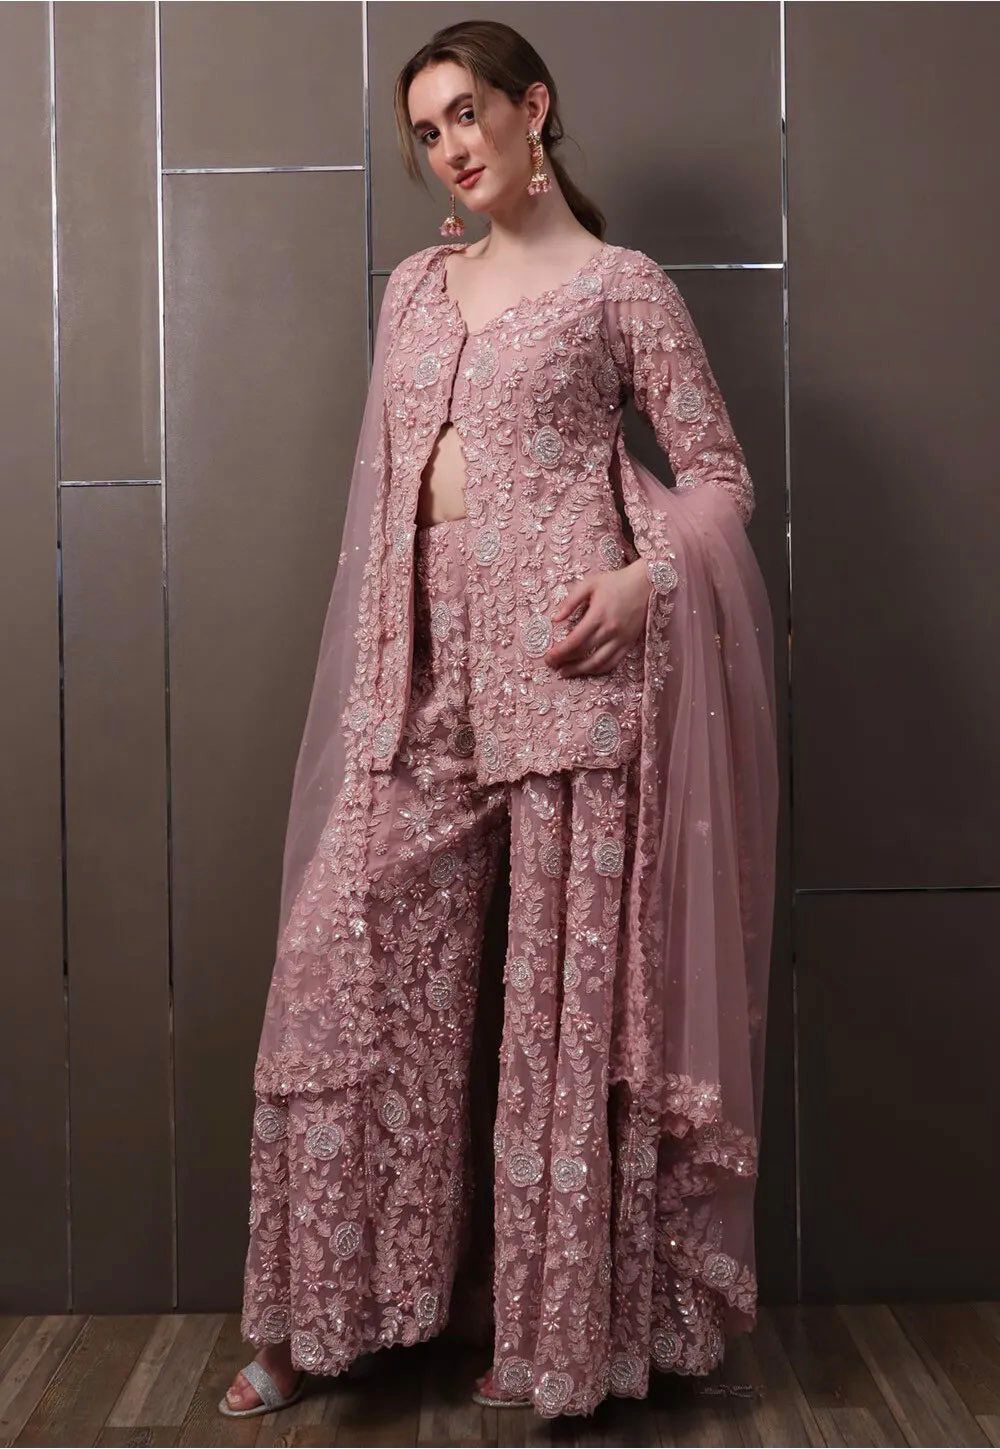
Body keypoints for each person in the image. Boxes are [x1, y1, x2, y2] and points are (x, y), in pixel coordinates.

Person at [220, 18, 778, 1422]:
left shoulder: (621, 288)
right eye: (427, 131)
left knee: (559, 1029)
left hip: (568, 675)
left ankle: (554, 1338)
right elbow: (387, 500)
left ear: (535, 108)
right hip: (415, 679)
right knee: (339, 968)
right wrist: (379, 677)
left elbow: (719, 479)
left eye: (468, 112)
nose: (451, 148)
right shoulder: (417, 289)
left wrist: (647, 585)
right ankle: (322, 1319)